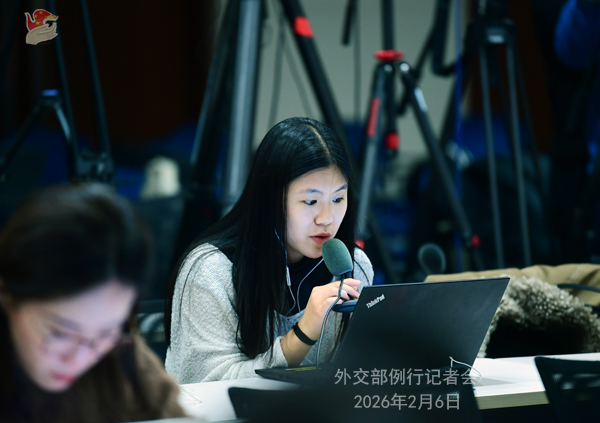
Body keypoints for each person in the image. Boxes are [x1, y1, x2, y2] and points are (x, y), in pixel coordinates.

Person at [165, 117, 374, 383]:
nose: (326, 218)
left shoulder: (354, 267)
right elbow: (207, 385)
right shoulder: (211, 271)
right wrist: (302, 334)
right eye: (311, 201)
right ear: (270, 200)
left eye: (338, 199)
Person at [0, 183, 186, 423]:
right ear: (7, 295)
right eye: (60, 334)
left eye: (105, 333)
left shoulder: (118, 352)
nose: (79, 360)